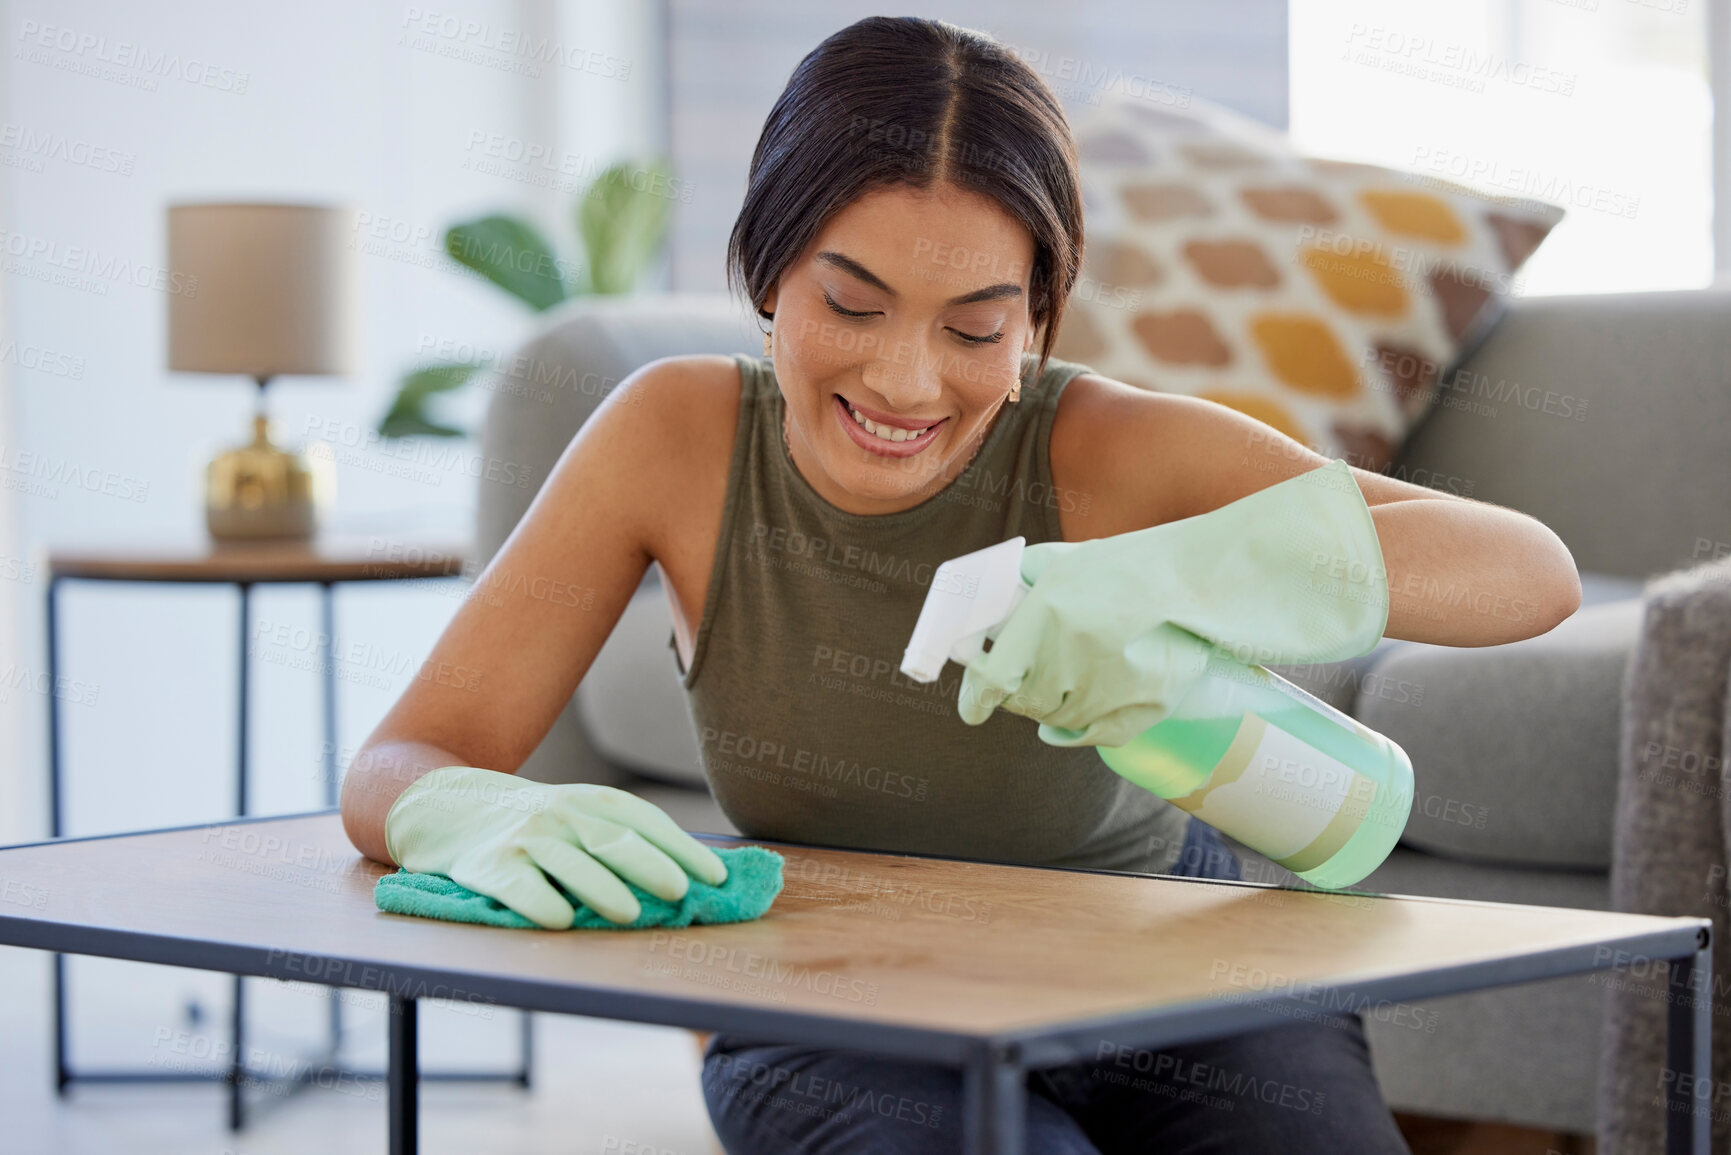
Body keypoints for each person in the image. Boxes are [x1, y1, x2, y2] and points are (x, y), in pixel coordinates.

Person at [340, 15, 1583, 1153]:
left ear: (1038, 320)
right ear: (766, 272)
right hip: (837, 1008)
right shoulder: (674, 436)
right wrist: (463, 811)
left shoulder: (1105, 447)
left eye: (974, 329)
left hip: (1165, 963)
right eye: (852, 303)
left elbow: (1528, 575)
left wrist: (1170, 567)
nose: (906, 381)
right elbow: (406, 755)